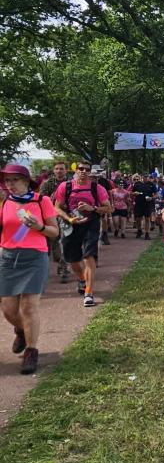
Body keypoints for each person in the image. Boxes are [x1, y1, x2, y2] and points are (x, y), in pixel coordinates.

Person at [0, 164, 60, 374]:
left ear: (26, 181)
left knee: (29, 307)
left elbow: (54, 232)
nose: (10, 185)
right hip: (8, 259)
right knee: (8, 310)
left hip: (35, 258)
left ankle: (31, 352)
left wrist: (39, 227)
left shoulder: (41, 201)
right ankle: (21, 331)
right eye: (7, 181)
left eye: (14, 180)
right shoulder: (4, 202)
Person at [53, 160, 112, 307]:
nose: (84, 171)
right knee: (72, 259)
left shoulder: (96, 188)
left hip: (91, 224)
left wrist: (92, 208)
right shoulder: (65, 187)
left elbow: (109, 208)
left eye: (87, 169)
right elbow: (57, 208)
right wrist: (69, 218)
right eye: (81, 168)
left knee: (88, 256)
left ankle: (88, 292)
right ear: (76, 170)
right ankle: (81, 279)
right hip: (71, 225)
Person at [39, 161, 70, 282]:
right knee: (53, 244)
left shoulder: (71, 183)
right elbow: (41, 199)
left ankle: (63, 269)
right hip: (50, 216)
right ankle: (58, 260)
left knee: (64, 242)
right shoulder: (47, 183)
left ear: (65, 170)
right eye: (57, 169)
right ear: (53, 170)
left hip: (65, 216)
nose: (59, 171)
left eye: (61, 169)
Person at [131, 174, 157, 240]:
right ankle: (139, 230)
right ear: (142, 177)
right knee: (138, 219)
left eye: (147, 177)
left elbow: (156, 195)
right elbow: (131, 193)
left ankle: (147, 233)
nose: (145, 178)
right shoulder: (137, 184)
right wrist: (134, 193)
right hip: (139, 204)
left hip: (147, 204)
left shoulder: (152, 184)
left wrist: (151, 198)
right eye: (144, 177)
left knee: (147, 219)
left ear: (148, 177)